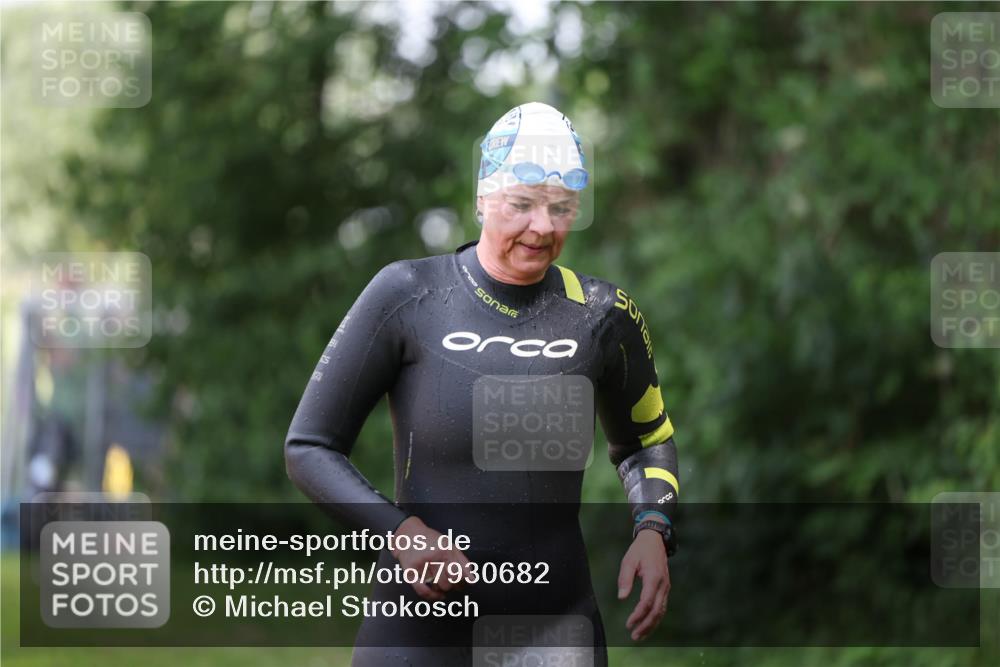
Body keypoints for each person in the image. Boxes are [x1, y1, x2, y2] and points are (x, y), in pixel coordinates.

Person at [285, 102, 680, 666]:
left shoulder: (602, 314)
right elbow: (309, 447)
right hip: (419, 631)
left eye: (561, 208)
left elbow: (646, 441)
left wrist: (652, 528)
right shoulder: (409, 294)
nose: (542, 227)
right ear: (483, 197)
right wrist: (402, 533)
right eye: (522, 204)